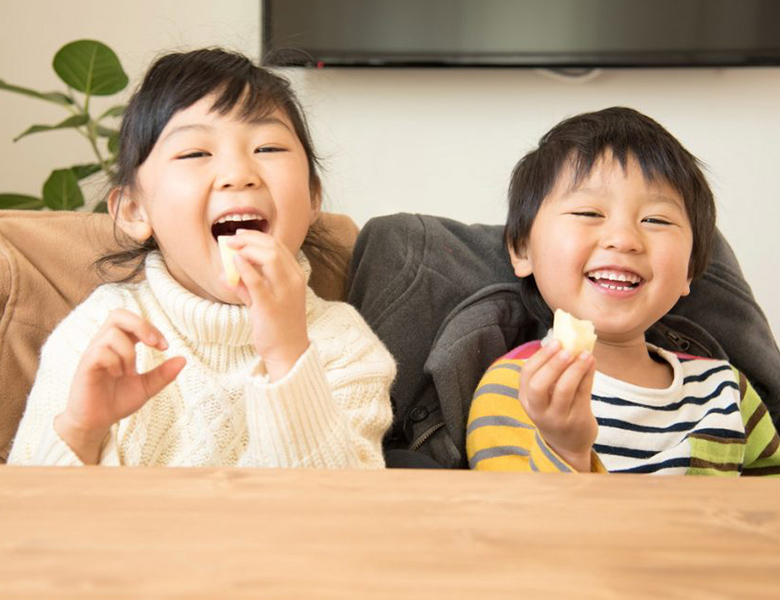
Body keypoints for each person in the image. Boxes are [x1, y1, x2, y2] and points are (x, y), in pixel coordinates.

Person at [8, 48, 395, 468]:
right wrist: (82, 428)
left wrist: (288, 357)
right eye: (195, 153)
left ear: (313, 196)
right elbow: (29, 503)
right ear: (134, 211)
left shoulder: (343, 342)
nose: (238, 174)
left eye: (268, 148)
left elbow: (337, 503)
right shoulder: (98, 333)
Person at [466, 107, 780, 475]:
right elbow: (513, 512)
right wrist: (564, 448)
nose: (624, 239)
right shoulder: (518, 387)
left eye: (656, 220)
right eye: (588, 213)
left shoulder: (728, 392)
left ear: (689, 270)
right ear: (522, 249)